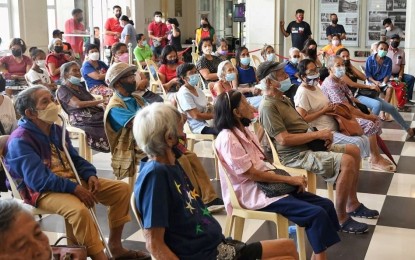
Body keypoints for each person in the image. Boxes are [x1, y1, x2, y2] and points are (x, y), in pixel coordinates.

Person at [133, 102, 298, 260]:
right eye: (181, 129)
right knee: (285, 254)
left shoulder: (172, 163)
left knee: (288, 247)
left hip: (219, 247)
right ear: (169, 138)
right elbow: (154, 244)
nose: (185, 134)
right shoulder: (155, 176)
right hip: (209, 255)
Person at [4, 85, 151, 260]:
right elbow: (38, 180)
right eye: (45, 102)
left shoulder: (56, 129)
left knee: (121, 190)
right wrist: (74, 188)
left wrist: (90, 174)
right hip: (40, 191)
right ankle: (100, 257)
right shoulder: (20, 140)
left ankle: (115, 246)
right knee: (78, 210)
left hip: (70, 179)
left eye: (52, 98)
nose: (54, 104)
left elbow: (75, 159)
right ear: (30, 113)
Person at [214, 90, 340, 260]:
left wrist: (289, 179)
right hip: (253, 191)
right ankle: (320, 257)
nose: (251, 105)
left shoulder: (244, 130)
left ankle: (318, 255)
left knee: (325, 205)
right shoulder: (227, 138)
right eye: (245, 103)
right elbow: (252, 174)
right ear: (236, 112)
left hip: (268, 184)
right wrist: (289, 179)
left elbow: (261, 165)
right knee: (315, 213)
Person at [257, 60, 379, 234]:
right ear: (269, 82)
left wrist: (321, 138)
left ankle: (353, 203)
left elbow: (300, 124)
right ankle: (341, 217)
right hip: (296, 154)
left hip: (309, 145)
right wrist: (317, 135)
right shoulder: (268, 106)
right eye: (282, 74)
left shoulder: (282, 98)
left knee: (354, 150)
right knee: (347, 162)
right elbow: (283, 140)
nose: (287, 76)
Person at [321, 55, 405, 171]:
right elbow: (344, 108)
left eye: (342, 65)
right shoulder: (331, 84)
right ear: (330, 68)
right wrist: (366, 116)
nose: (341, 68)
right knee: (370, 123)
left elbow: (351, 98)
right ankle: (375, 159)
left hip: (347, 112)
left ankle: (374, 154)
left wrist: (364, 109)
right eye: (338, 65)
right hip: (340, 117)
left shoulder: (339, 81)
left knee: (375, 120)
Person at [294, 59, 370, 158]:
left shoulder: (316, 87)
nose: (316, 73)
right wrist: (323, 111)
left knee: (364, 138)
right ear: (303, 76)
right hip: (324, 132)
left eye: (316, 70)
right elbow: (303, 118)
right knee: (358, 142)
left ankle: (357, 164)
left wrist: (331, 108)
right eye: (311, 72)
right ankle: (353, 165)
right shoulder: (302, 93)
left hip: (335, 125)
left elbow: (324, 104)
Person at [336, 49, 415, 142]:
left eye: (347, 56)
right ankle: (369, 132)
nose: (346, 58)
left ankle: (409, 130)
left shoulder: (349, 68)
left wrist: (351, 66)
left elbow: (363, 77)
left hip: (360, 93)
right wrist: (369, 87)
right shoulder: (339, 70)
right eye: (343, 56)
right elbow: (352, 84)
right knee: (377, 104)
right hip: (352, 96)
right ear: (338, 58)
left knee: (391, 108)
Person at [104, 62, 147, 180]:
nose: (134, 80)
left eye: (133, 76)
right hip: (131, 146)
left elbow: (151, 115)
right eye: (130, 77)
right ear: (118, 83)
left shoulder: (137, 98)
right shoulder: (115, 106)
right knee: (163, 156)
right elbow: (139, 124)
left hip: (144, 138)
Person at [58, 62, 110, 152]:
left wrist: (103, 104)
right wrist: (101, 101)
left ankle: (118, 143)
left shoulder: (80, 87)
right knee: (106, 120)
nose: (78, 73)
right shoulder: (62, 89)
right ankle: (109, 143)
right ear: (66, 74)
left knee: (111, 114)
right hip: (79, 117)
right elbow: (77, 104)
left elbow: (92, 100)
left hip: (91, 112)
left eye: (78, 70)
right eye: (74, 70)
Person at [176, 63, 217, 135]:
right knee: (225, 131)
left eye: (195, 72)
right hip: (197, 127)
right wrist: (215, 115)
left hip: (206, 121)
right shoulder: (184, 93)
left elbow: (207, 104)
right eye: (191, 73)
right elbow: (196, 115)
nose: (195, 75)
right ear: (183, 78)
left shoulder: (197, 89)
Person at [365, 41, 394, 120]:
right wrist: (375, 82)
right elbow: (368, 74)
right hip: (372, 81)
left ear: (387, 51)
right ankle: (371, 111)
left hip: (383, 81)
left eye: (385, 49)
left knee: (390, 89)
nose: (383, 50)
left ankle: (383, 112)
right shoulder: (370, 59)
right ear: (377, 49)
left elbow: (388, 74)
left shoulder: (388, 60)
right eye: (381, 48)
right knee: (373, 88)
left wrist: (384, 82)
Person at [387, 34, 415, 102]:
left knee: (410, 78)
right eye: (393, 40)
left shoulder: (401, 52)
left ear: (399, 42)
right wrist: (390, 76)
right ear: (390, 40)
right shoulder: (386, 51)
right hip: (387, 75)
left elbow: (402, 66)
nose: (395, 42)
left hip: (398, 74)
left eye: (397, 41)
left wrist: (400, 77)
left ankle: (407, 99)